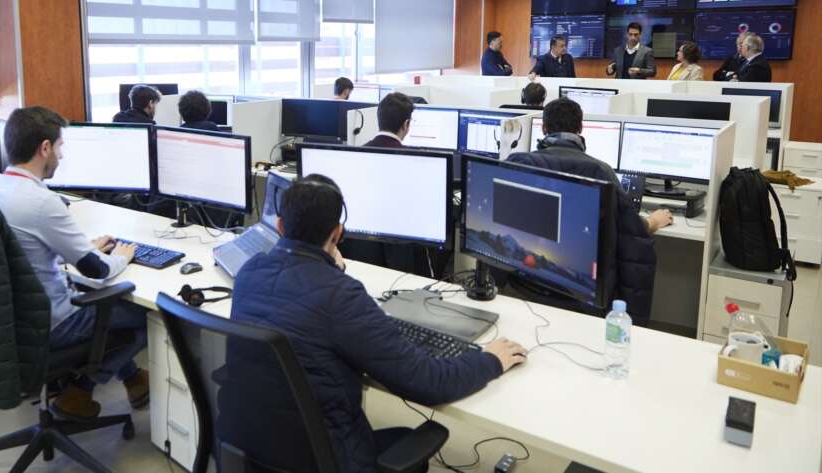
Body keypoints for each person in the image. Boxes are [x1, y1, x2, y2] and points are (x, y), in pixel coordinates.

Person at [225, 175, 527, 473]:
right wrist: (490, 360)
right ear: (337, 234)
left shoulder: (250, 272)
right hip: (327, 459)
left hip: (253, 451)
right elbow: (428, 382)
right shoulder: (340, 297)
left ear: (279, 227)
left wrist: (330, 272)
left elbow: (304, 309)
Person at [0, 106, 149, 420]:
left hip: (6, 320)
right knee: (145, 315)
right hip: (52, 323)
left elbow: (26, 252)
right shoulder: (43, 202)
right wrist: (119, 257)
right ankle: (79, 390)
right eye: (60, 146)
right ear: (44, 148)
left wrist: (83, 248)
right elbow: (97, 271)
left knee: (109, 316)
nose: (61, 155)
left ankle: (134, 380)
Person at [507, 98, 672, 324]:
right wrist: (652, 222)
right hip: (582, 290)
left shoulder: (519, 163)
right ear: (581, 128)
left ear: (544, 128)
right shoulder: (600, 171)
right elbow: (630, 230)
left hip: (525, 283)